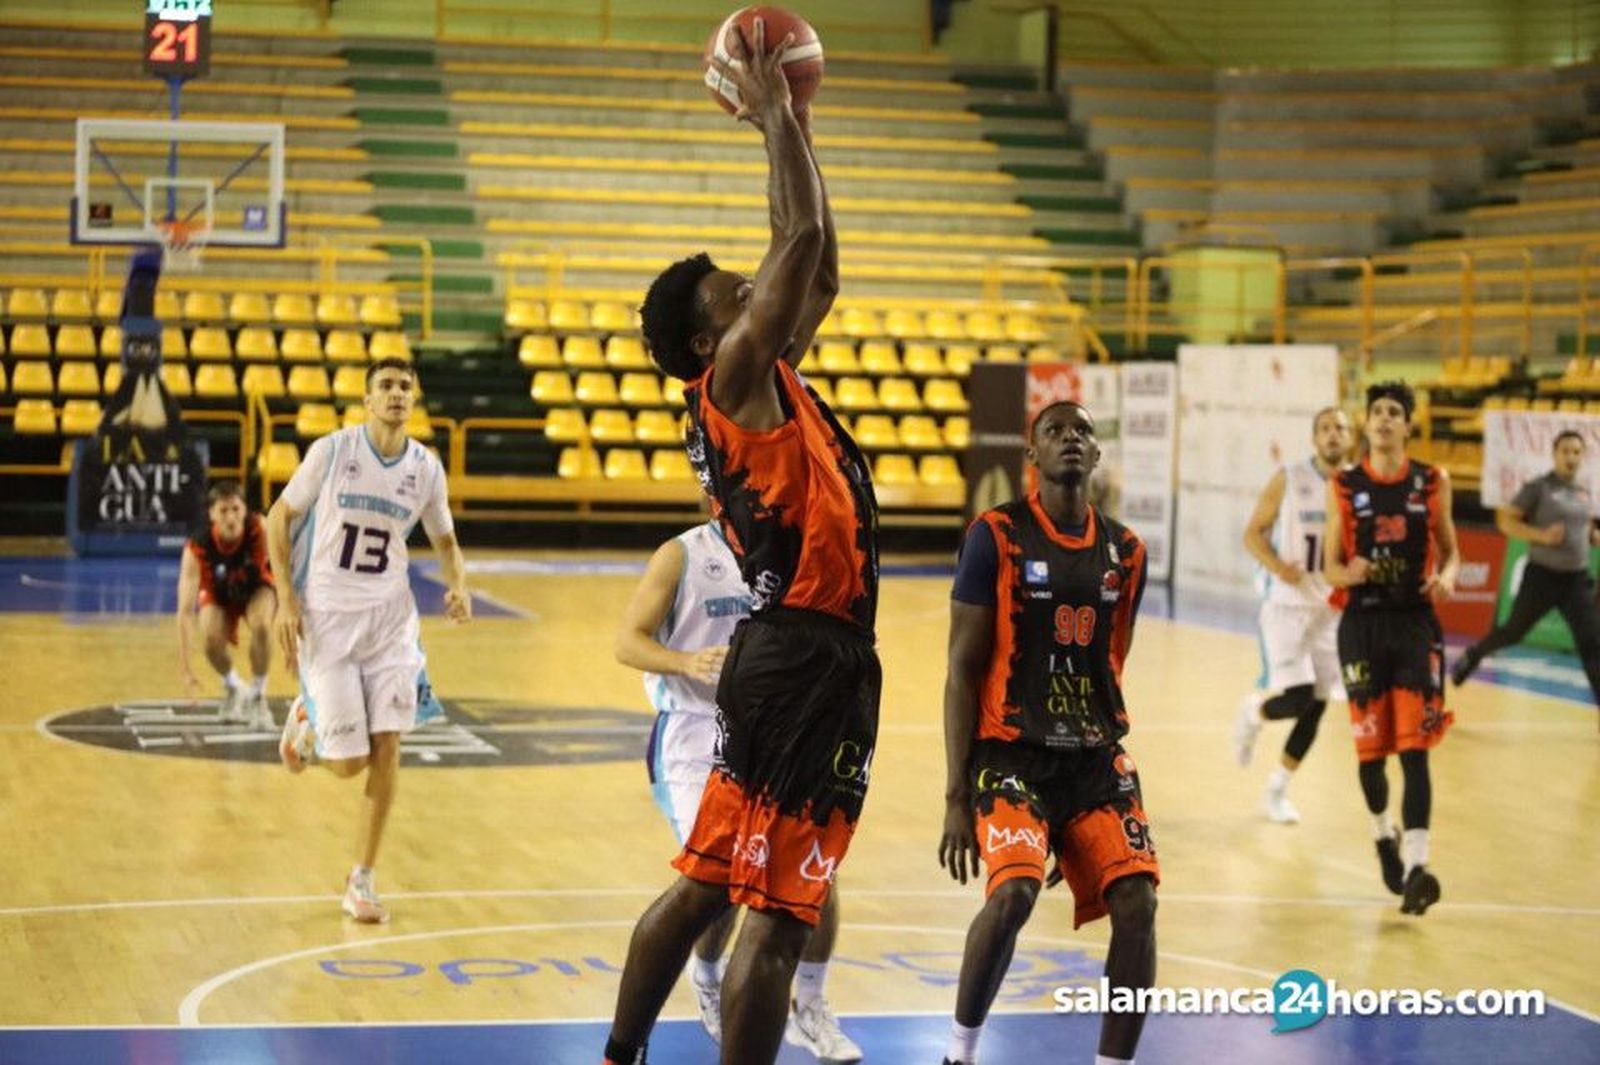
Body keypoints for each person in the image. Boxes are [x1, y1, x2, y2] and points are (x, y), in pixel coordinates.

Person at [602, 19, 879, 1065]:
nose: (753, 291)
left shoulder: (765, 374)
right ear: (699, 342)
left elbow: (819, 269)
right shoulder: (726, 383)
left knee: (711, 886)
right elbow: (796, 249)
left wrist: (796, 123)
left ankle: (618, 1054)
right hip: (800, 657)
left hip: (819, 656)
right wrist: (776, 117)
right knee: (774, 910)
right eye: (733, 293)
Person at [938, 401, 1157, 1065]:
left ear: (1096, 455)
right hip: (1010, 757)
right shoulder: (995, 536)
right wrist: (955, 794)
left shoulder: (1127, 551)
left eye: (1083, 430)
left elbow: (1109, 663)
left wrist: (1071, 820)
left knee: (1139, 900)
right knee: (1013, 893)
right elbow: (960, 671)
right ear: (1031, 456)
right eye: (1055, 430)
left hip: (1091, 762)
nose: (1071, 438)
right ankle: (960, 1051)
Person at [615, 521, 861, 1061]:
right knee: (720, 879)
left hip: (779, 733)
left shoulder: (796, 550)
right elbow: (626, 641)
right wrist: (684, 661)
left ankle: (812, 1004)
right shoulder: (680, 554)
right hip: (695, 733)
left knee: (819, 870)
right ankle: (706, 976)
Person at [265, 357, 470, 924]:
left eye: (406, 386)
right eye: (385, 386)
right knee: (350, 763)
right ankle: (307, 727)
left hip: (390, 623)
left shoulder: (426, 469)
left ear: (414, 398)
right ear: (367, 399)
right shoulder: (332, 453)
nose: (397, 393)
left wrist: (458, 586)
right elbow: (276, 519)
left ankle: (362, 878)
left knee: (390, 743)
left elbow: (445, 540)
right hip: (326, 618)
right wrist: (285, 595)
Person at [1324, 381, 1459, 916]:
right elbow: (1331, 567)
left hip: (1413, 626)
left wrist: (1447, 576)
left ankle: (1419, 867)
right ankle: (1384, 835)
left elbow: (1451, 550)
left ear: (1408, 425)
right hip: (1361, 626)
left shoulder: (1431, 480)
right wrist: (1348, 571)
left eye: (1394, 412)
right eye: (1376, 411)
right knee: (1371, 758)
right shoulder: (1344, 483)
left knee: (1415, 749)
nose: (1383, 419)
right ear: (1368, 424)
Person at [1234, 408, 1352, 823]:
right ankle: (1254, 712)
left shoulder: (1356, 485)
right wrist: (1276, 565)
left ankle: (1277, 790)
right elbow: (1252, 534)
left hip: (1330, 610)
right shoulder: (1289, 478)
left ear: (1350, 437)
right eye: (1325, 428)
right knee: (1299, 698)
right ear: (1314, 438)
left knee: (1317, 708)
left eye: (1340, 428)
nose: (1332, 434)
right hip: (1286, 605)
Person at [1450, 430, 1600, 711]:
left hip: (1576, 581)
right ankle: (1474, 654)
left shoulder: (1583, 492)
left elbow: (1586, 530)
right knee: (1512, 632)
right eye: (1565, 451)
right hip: (1543, 577)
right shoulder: (1539, 487)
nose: (1571, 457)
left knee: (1592, 644)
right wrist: (1541, 535)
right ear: (1554, 454)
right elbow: (1506, 521)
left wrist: (1593, 537)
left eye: (1576, 452)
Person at [177, 479, 276, 727]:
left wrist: (295, 623)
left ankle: (258, 693)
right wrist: (187, 669)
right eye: (223, 510)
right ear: (212, 514)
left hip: (256, 588)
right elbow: (185, 612)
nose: (230, 516)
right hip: (219, 592)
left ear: (245, 510)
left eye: (235, 509)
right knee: (210, 641)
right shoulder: (197, 546)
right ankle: (234, 687)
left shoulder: (261, 529)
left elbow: (289, 573)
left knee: (262, 625)